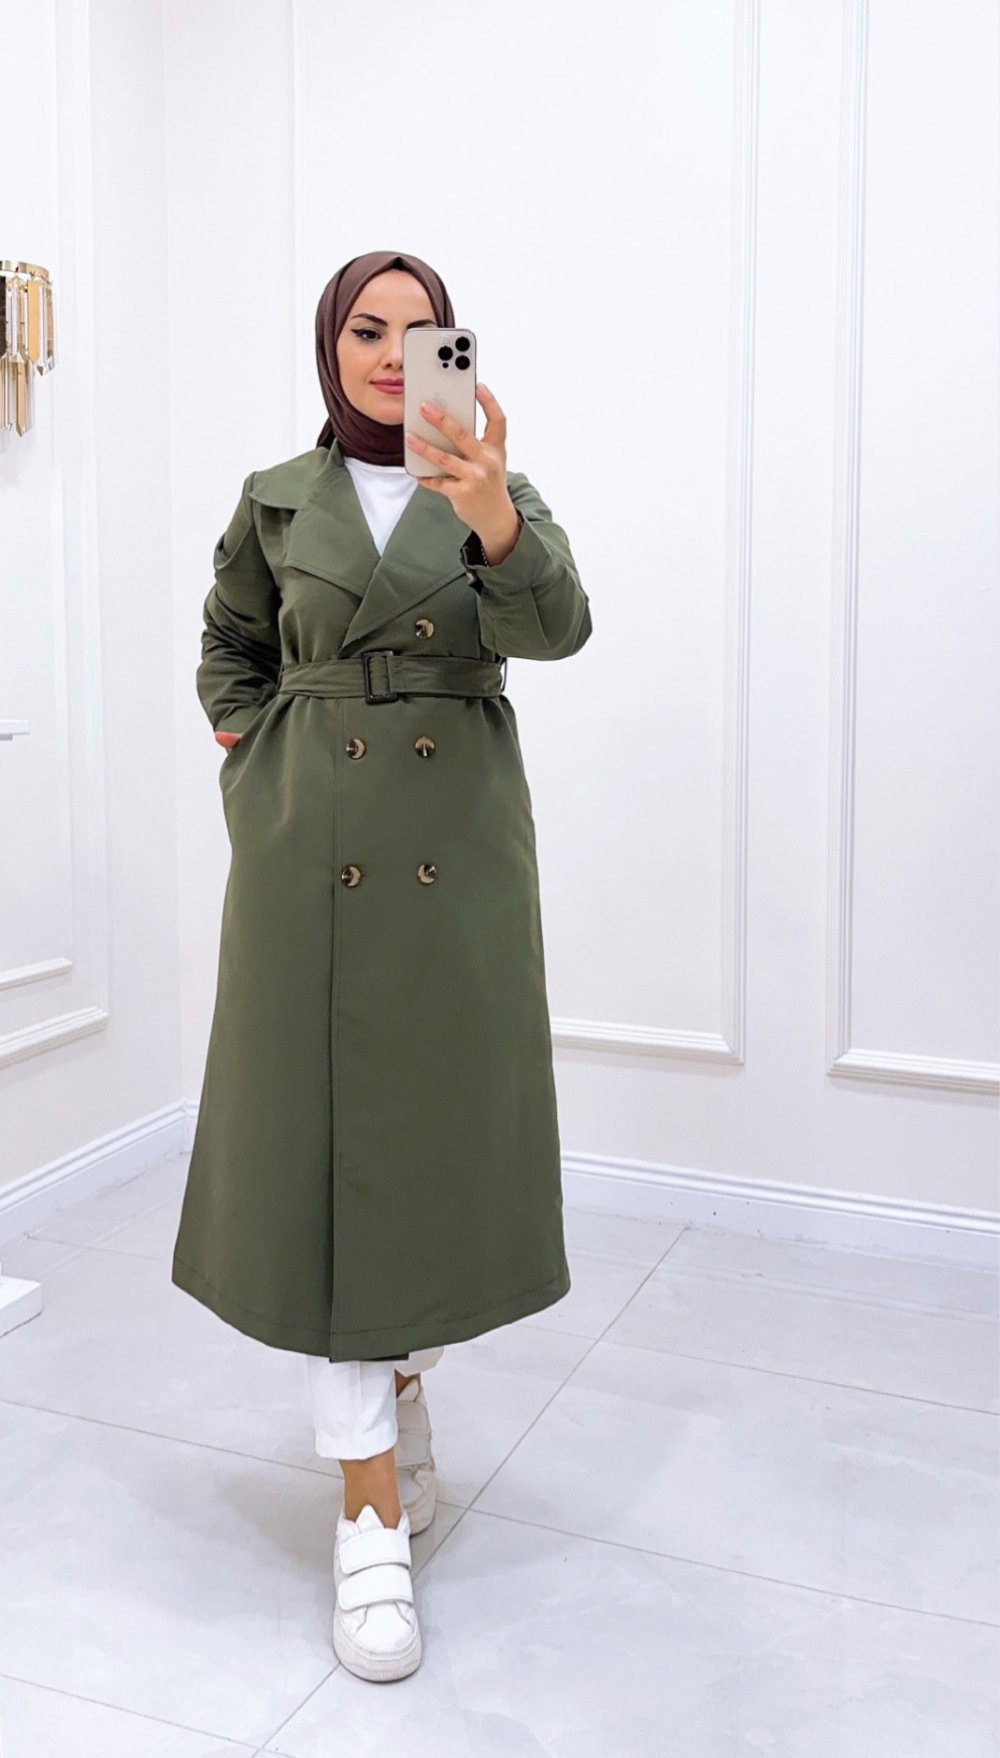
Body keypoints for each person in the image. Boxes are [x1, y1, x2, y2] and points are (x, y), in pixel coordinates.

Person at [171, 250, 592, 1682]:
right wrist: (257, 766)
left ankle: (402, 1384)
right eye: (368, 327)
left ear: (453, 355)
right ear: (331, 345)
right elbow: (230, 644)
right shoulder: (276, 498)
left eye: (424, 333)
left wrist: (491, 515)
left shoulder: (493, 487)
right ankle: (365, 1513)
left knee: (431, 1151)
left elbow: (559, 630)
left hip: (455, 859)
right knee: (324, 1160)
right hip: (311, 860)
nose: (393, 353)